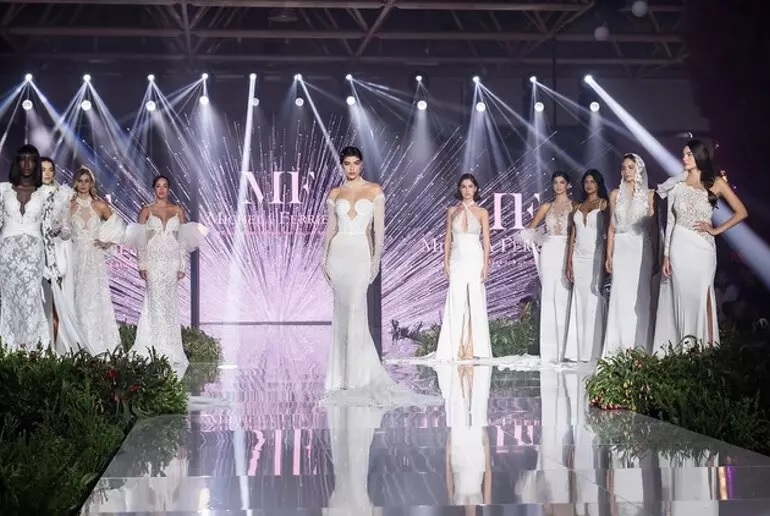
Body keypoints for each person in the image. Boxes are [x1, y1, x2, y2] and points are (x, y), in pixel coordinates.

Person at [321, 146, 439, 407]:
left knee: (356, 310)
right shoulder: (335, 193)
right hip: (339, 253)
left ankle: (359, 376)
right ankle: (340, 377)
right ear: (342, 165)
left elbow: (378, 231)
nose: (352, 168)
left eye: (356, 163)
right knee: (341, 313)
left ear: (362, 165)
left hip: (361, 254)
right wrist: (324, 258)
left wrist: (375, 260)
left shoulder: (375, 190)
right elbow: (331, 228)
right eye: (347, 163)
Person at [655, 139, 747, 346]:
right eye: (683, 154)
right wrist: (666, 255)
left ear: (699, 155)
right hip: (679, 246)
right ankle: (683, 347)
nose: (684, 158)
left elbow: (741, 212)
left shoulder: (716, 182)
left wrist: (716, 230)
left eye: (689, 154)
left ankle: (706, 349)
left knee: (704, 295)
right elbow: (670, 222)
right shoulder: (677, 186)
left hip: (703, 248)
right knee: (681, 297)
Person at [129, 175, 206, 371]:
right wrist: (142, 265)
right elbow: (141, 242)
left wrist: (182, 266)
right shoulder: (146, 211)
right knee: (154, 302)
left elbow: (182, 241)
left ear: (169, 189)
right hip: (154, 263)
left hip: (171, 264)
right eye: (158, 186)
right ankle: (154, 346)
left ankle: (170, 348)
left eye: (164, 186)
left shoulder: (178, 210)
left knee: (169, 304)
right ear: (154, 189)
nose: (161, 189)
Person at [0, 144, 65, 349]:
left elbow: (49, 230)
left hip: (33, 254)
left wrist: (53, 266)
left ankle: (32, 349)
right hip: (6, 253)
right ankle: (9, 347)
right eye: (23, 159)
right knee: (9, 300)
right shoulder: (2, 190)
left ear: (36, 164)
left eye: (32, 159)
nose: (27, 164)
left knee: (30, 299)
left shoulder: (46, 193)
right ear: (17, 162)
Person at [431, 173, 492, 362]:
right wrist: (445, 262)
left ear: (476, 189)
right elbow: (447, 238)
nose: (467, 190)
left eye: (470, 186)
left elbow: (487, 240)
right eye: (463, 186)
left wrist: (486, 264)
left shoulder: (482, 212)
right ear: (459, 189)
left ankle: (475, 349)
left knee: (475, 300)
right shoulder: (452, 211)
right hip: (456, 260)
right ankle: (454, 348)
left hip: (475, 259)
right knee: (456, 301)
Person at [603, 154, 658, 356]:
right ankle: (617, 347)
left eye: (631, 167)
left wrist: (657, 255)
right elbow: (611, 227)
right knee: (620, 296)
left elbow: (653, 229)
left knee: (640, 296)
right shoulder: (614, 194)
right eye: (624, 167)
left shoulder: (650, 195)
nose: (627, 171)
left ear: (639, 169)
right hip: (621, 248)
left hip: (641, 248)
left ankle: (639, 346)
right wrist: (609, 255)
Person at [518, 171, 575, 363]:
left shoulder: (574, 206)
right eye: (555, 182)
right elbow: (530, 230)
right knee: (549, 296)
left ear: (568, 185)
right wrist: (537, 245)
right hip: (549, 252)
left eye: (562, 182)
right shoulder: (546, 207)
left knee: (565, 295)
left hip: (567, 251)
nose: (558, 186)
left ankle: (565, 349)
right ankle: (550, 350)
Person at [70, 166, 125, 354]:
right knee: (77, 300)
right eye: (80, 181)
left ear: (92, 183)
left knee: (94, 300)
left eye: (87, 181)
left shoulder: (100, 206)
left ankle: (97, 346)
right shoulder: (69, 206)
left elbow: (118, 226)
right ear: (75, 183)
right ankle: (78, 346)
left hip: (94, 259)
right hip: (75, 258)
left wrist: (107, 241)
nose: (83, 184)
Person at [39, 156, 84, 353]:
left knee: (57, 303)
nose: (47, 173)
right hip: (35, 252)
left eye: (50, 169)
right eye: (43, 170)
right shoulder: (31, 194)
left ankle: (56, 348)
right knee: (39, 302)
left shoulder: (62, 195)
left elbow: (66, 231)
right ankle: (39, 346)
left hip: (55, 254)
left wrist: (58, 227)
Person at [564, 169, 609, 362]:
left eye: (592, 181)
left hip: (596, 256)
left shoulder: (604, 204)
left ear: (598, 183)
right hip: (578, 257)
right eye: (586, 182)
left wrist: (607, 258)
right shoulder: (577, 207)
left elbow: (609, 233)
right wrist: (569, 262)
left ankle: (594, 349)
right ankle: (577, 350)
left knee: (594, 298)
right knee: (579, 299)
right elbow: (572, 237)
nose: (589, 185)